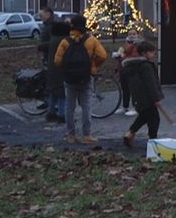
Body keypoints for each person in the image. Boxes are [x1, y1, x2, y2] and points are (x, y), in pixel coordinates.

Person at [53, 14, 109, 145]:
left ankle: (71, 134)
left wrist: (66, 68)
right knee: (86, 106)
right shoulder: (91, 40)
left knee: (69, 107)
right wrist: (93, 66)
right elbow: (103, 55)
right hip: (86, 77)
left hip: (69, 79)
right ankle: (87, 135)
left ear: (72, 25)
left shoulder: (65, 41)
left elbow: (57, 61)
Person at [120, 41, 163, 148]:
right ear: (144, 53)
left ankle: (129, 134)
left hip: (138, 97)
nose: (153, 54)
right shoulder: (146, 66)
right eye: (151, 52)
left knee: (144, 117)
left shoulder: (133, 66)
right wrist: (155, 98)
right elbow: (150, 83)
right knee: (154, 119)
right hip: (148, 98)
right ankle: (153, 141)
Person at [115, 35, 139, 117]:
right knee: (125, 89)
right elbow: (122, 55)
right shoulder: (124, 46)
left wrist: (122, 57)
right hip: (123, 69)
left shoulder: (136, 46)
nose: (131, 35)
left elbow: (133, 57)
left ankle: (135, 107)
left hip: (131, 70)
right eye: (130, 33)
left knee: (133, 89)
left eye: (134, 33)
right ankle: (125, 106)